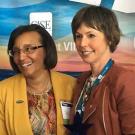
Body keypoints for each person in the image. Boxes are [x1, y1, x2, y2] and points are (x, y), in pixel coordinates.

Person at [68, 5, 135, 135]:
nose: (82, 43)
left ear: (109, 38)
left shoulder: (126, 81)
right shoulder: (82, 81)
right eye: (78, 36)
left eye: (91, 35)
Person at [0, 24, 76, 135]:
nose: (21, 57)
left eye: (29, 49)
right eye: (16, 51)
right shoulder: (3, 91)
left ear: (46, 49)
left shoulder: (73, 86)